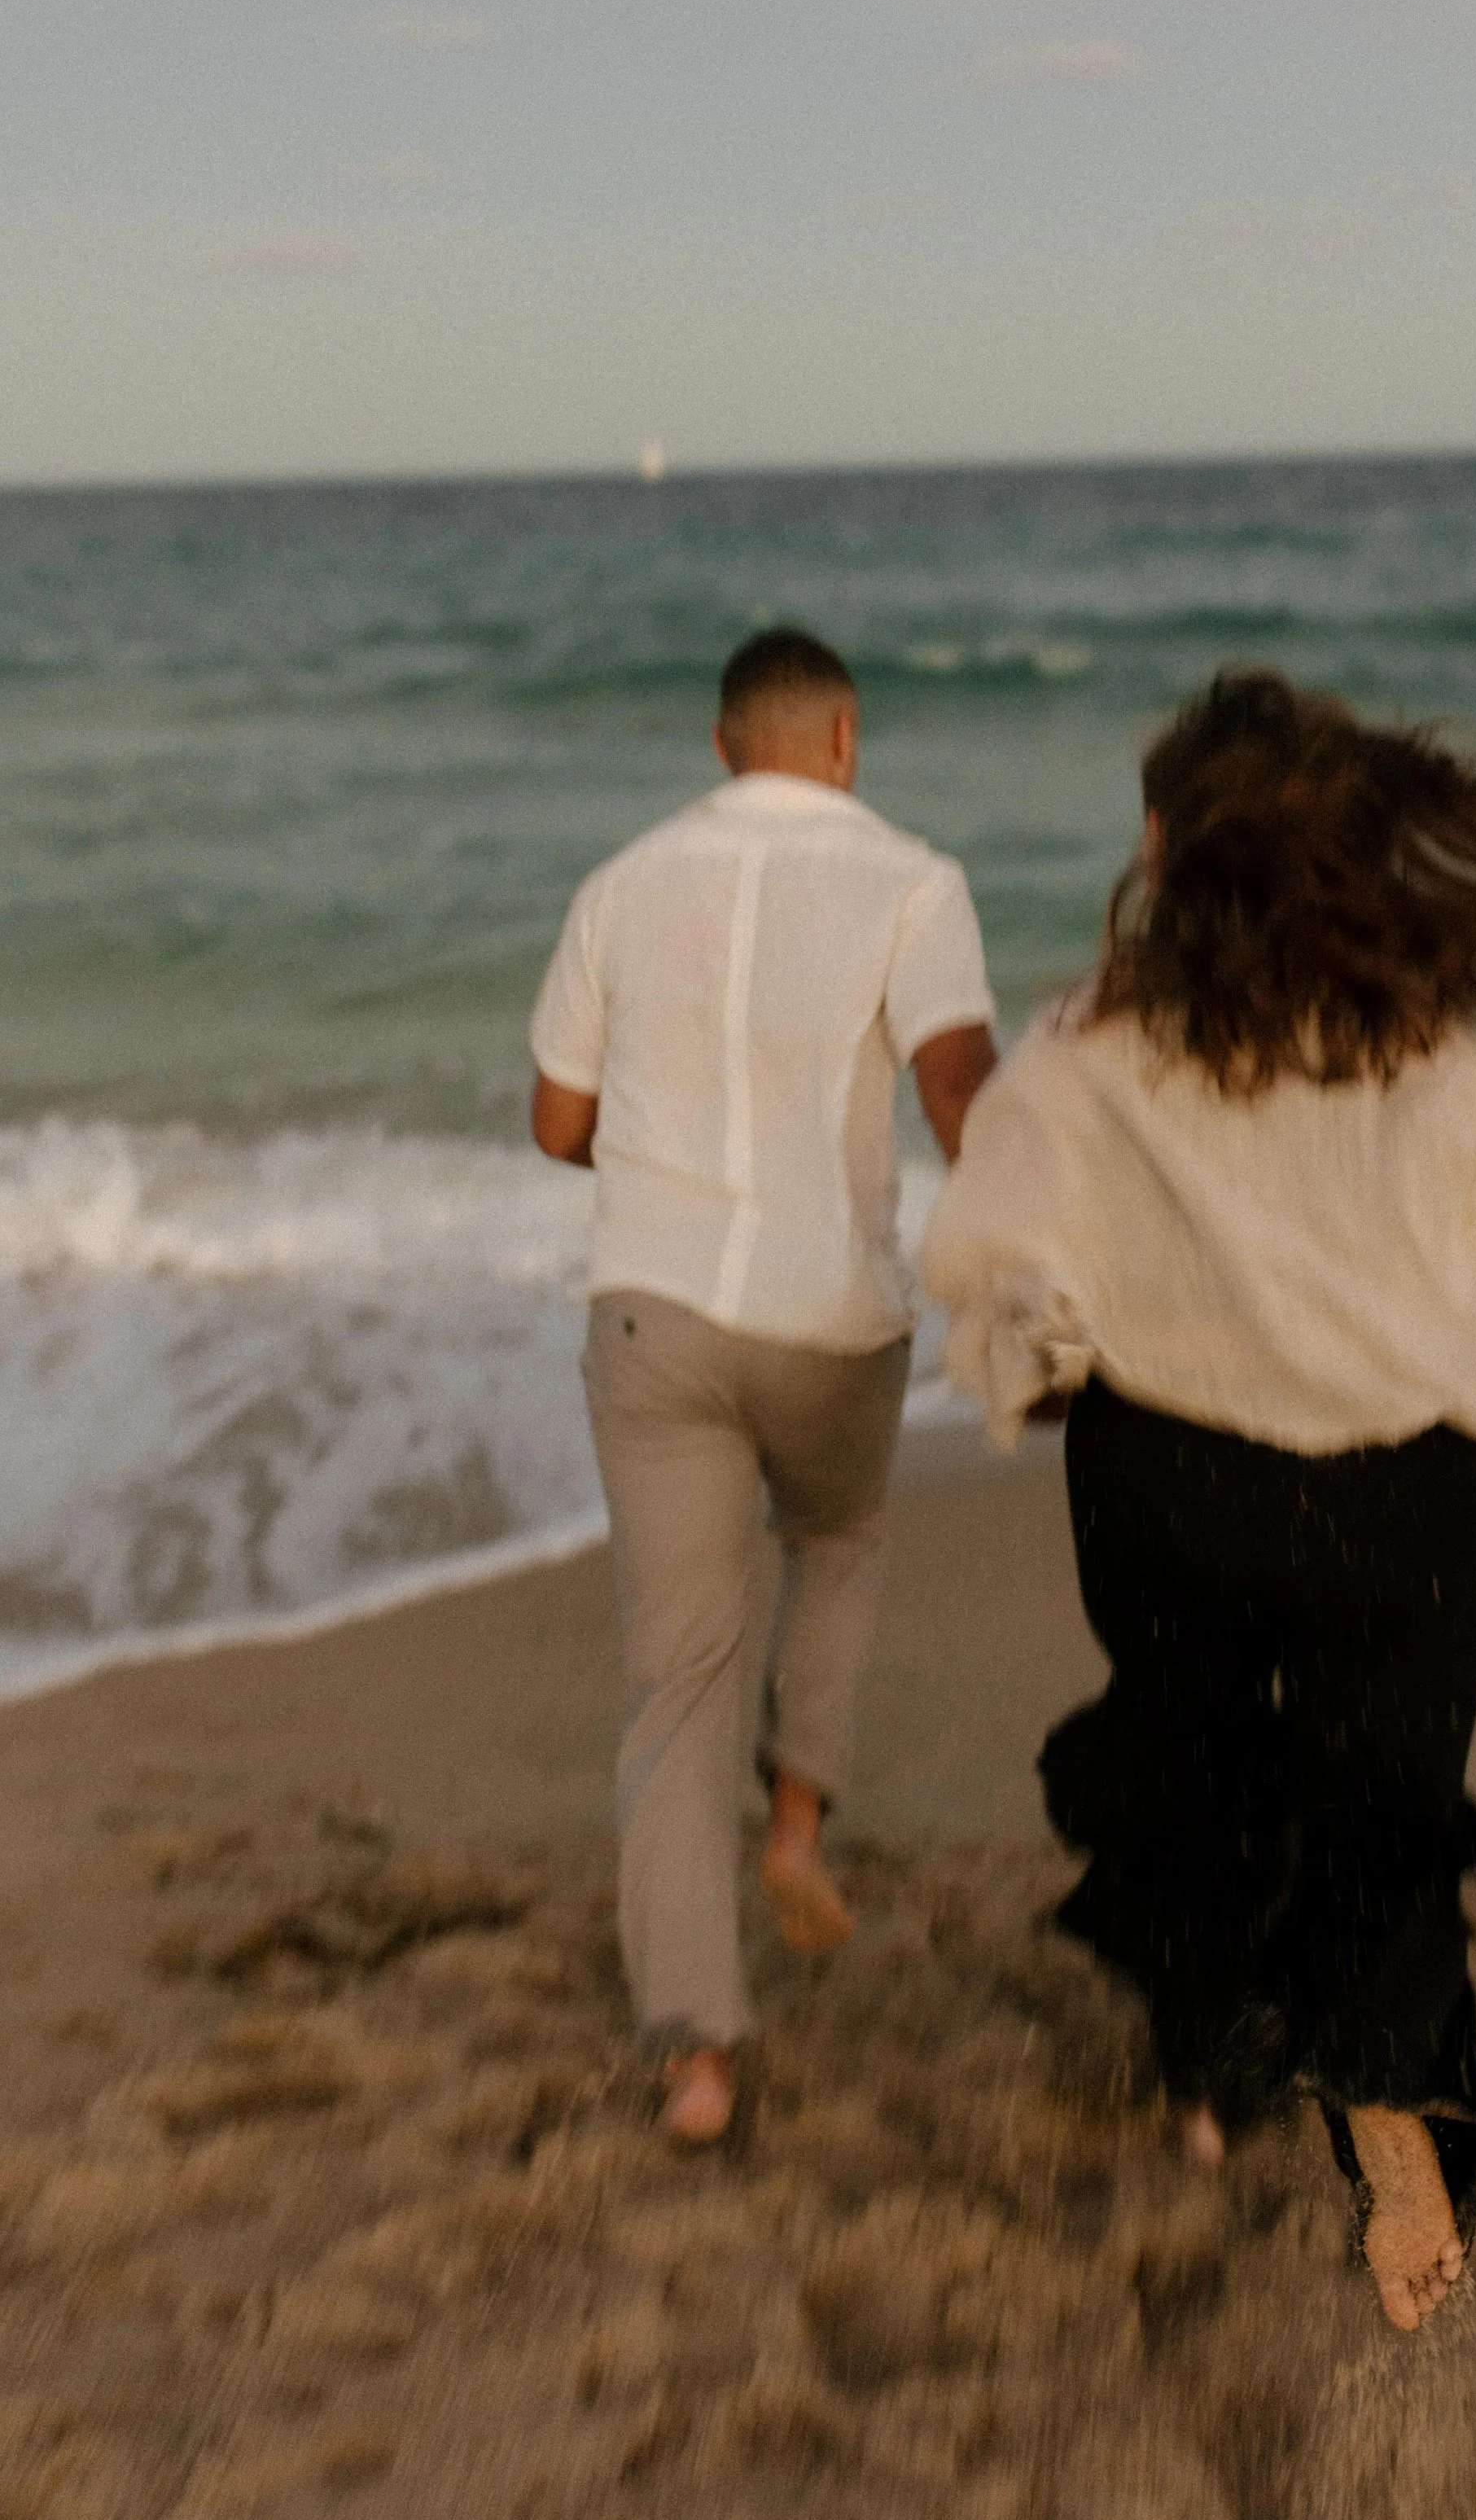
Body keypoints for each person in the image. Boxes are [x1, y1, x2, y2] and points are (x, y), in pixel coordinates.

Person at [921, 669, 1476, 2332]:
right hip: (1397, 1495)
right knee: (1385, 1810)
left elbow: (1001, 1252)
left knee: (1198, 1760)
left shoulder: (1091, 1048)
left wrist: (1055, 1358)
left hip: (1171, 1478)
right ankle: (1387, 2123)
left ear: (1168, 853)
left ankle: (1211, 2086)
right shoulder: (1423, 1049)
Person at [530, 626, 996, 2145]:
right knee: (839, 1543)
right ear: (847, 740)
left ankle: (696, 2059)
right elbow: (954, 1096)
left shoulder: (619, 884)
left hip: (655, 1317)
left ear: (722, 747)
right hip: (829, 1321)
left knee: (675, 1682)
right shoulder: (915, 883)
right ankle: (796, 1822)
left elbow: (556, 1120)